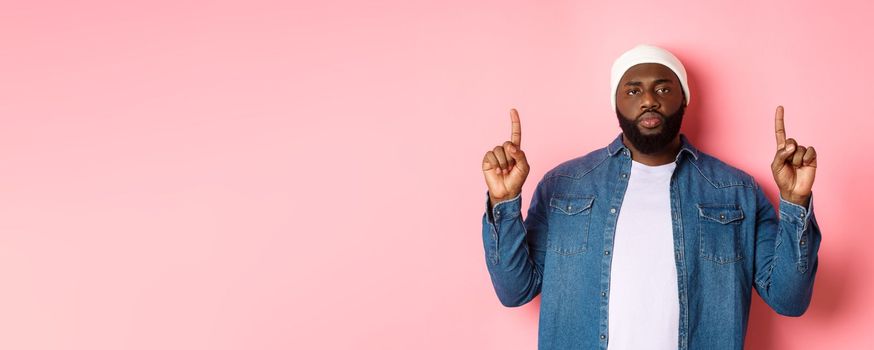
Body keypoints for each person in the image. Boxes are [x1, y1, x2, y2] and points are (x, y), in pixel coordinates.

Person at [480, 44, 820, 350]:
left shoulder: (737, 192)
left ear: (684, 98)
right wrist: (504, 202)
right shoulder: (564, 185)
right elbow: (515, 291)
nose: (648, 99)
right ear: (616, 102)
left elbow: (789, 299)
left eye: (663, 87)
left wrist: (795, 200)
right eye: (633, 90)